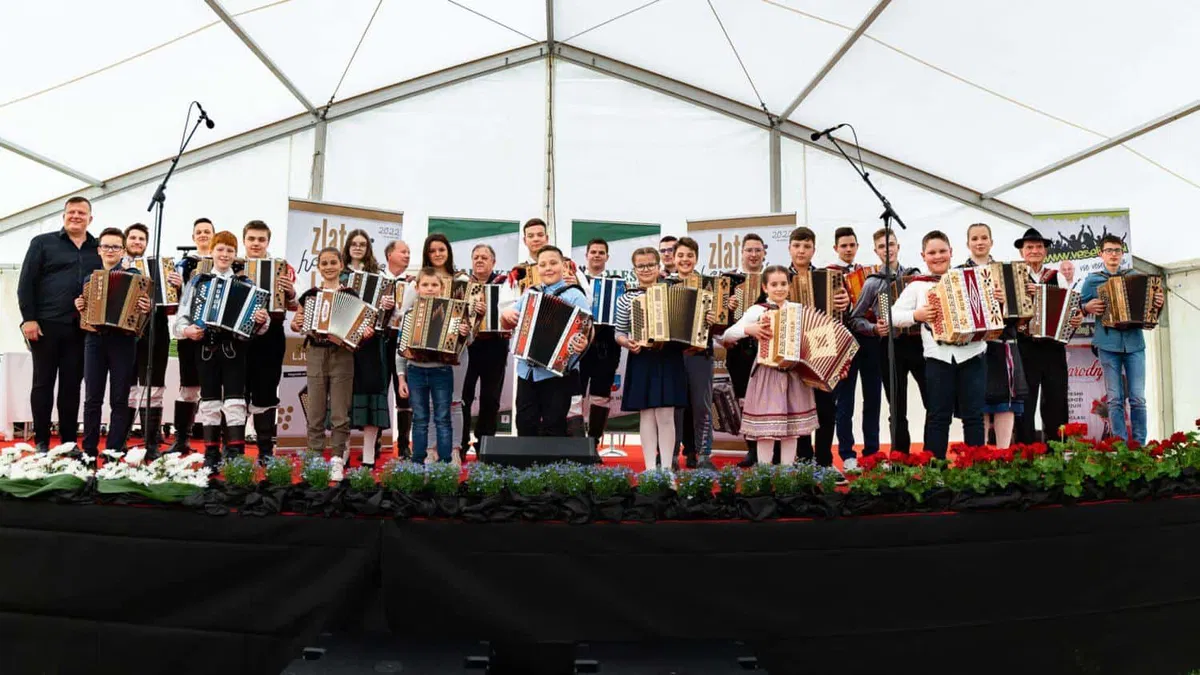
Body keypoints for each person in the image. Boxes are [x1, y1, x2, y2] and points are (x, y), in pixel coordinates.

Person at [172, 231, 269, 470]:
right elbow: (180, 321)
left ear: (235, 255)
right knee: (210, 400)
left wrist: (261, 319)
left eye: (229, 250)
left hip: (235, 349)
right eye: (220, 249)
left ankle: (235, 454)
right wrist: (188, 331)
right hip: (205, 348)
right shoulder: (198, 282)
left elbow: (259, 328)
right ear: (212, 252)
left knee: (236, 400)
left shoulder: (246, 284)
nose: (225, 254)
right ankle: (211, 454)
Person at [889, 231, 987, 459]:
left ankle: (977, 468)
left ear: (951, 252)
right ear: (923, 256)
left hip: (973, 354)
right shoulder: (917, 286)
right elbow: (892, 315)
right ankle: (935, 471)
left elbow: (990, 306)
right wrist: (917, 314)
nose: (938, 256)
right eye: (932, 252)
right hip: (938, 357)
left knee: (973, 415)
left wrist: (998, 299)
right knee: (938, 415)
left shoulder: (969, 277)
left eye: (942, 251)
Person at [17, 196, 101, 452]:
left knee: (71, 386)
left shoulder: (97, 248)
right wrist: (28, 319)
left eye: (81, 213)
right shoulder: (43, 243)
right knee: (42, 384)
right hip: (45, 325)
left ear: (90, 218)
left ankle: (67, 441)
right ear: (63, 216)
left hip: (81, 329)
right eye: (71, 212)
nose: (76, 216)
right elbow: (26, 283)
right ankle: (42, 440)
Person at [722, 264, 819, 465]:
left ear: (790, 286)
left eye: (783, 283)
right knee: (765, 431)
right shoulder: (757, 310)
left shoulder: (798, 310)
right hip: (766, 374)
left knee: (791, 431)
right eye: (774, 284)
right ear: (765, 288)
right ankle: (764, 475)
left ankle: (787, 477)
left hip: (793, 376)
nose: (779, 288)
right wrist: (751, 329)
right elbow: (727, 335)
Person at [75, 228, 151, 459]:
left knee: (119, 398)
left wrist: (145, 307)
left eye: (116, 247)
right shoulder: (91, 278)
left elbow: (142, 311)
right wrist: (81, 305)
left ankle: (114, 449)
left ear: (122, 250)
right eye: (106, 246)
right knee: (92, 397)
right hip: (94, 341)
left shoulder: (134, 275)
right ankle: (89, 449)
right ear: (99, 250)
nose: (110, 251)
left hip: (123, 342)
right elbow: (86, 313)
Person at [1080, 234, 1164, 445]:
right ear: (1101, 254)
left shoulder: (1136, 276)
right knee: (1115, 398)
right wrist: (1086, 307)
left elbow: (1151, 313)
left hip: (1135, 343)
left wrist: (1158, 303)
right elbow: (1077, 309)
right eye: (1109, 250)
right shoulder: (1092, 280)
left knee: (1138, 398)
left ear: (1122, 253)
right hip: (1107, 344)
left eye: (1117, 250)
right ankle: (1119, 446)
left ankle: (1139, 445)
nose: (1113, 255)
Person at [847, 228, 925, 453]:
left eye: (891, 244)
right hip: (890, 348)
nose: (887, 249)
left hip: (918, 345)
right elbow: (855, 318)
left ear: (898, 247)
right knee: (897, 406)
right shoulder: (873, 283)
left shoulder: (915, 276)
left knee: (932, 401)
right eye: (882, 246)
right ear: (876, 251)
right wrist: (874, 328)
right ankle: (901, 457)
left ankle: (931, 456)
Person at [292, 247, 366, 480]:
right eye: (324, 263)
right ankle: (314, 456)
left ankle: (336, 457)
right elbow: (296, 323)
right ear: (319, 267)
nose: (329, 267)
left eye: (333, 262)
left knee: (340, 410)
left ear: (341, 265)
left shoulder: (352, 295)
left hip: (342, 354)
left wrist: (364, 331)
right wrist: (298, 322)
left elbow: (360, 327)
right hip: (316, 352)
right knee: (315, 408)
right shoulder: (310, 294)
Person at [501, 246, 591, 436]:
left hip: (557, 374)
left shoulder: (575, 295)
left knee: (555, 423)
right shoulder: (530, 293)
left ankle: (550, 466)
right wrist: (506, 314)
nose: (548, 268)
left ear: (564, 265)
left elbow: (588, 330)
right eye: (542, 265)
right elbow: (507, 323)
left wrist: (583, 343)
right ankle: (525, 465)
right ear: (537, 269)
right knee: (525, 423)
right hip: (527, 372)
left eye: (553, 263)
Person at [614, 247, 687, 472]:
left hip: (669, 356)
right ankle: (649, 469)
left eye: (650, 265)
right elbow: (619, 332)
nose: (646, 270)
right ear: (634, 269)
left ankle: (666, 468)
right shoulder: (626, 297)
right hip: (642, 357)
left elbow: (690, 322)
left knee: (666, 414)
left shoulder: (674, 291)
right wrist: (627, 343)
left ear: (658, 267)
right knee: (646, 414)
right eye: (640, 266)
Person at [787, 226, 850, 468]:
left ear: (814, 249)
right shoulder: (779, 276)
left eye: (806, 246)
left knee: (826, 407)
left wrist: (846, 304)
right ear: (789, 248)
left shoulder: (828, 276)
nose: (801, 251)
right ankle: (803, 458)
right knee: (800, 407)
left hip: (823, 346)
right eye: (797, 246)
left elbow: (843, 314)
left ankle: (824, 459)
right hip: (793, 349)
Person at [396, 268, 472, 463]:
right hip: (415, 370)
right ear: (418, 288)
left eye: (434, 285)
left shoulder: (453, 312)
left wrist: (464, 333)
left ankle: (446, 462)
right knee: (420, 418)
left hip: (442, 370)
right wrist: (401, 377)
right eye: (425, 285)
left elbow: (467, 341)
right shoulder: (410, 314)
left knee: (443, 418)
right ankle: (419, 461)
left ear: (441, 288)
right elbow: (401, 349)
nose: (430, 289)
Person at [1013, 228, 1082, 443]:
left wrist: (1075, 319)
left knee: (1056, 401)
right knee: (1025, 401)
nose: (1034, 251)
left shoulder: (1057, 277)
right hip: (1024, 346)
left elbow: (1070, 309)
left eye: (1039, 247)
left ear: (1045, 251)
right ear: (1022, 252)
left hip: (1053, 347)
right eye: (1029, 247)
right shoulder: (1013, 276)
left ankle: (1057, 454)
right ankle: (1025, 455)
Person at [960, 223, 1025, 449]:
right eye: (975, 238)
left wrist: (1006, 301)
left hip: (1002, 343)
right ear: (968, 243)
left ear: (991, 242)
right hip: (973, 346)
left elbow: (1021, 313)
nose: (980, 242)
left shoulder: (1008, 271)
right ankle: (980, 455)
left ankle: (1003, 454)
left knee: (1005, 403)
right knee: (978, 402)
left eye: (984, 237)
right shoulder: (958, 272)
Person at [242, 220, 297, 464]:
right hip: (239, 336)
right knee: (236, 391)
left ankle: (265, 451)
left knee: (266, 390)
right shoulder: (234, 266)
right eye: (251, 239)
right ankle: (232, 450)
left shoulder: (284, 269)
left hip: (272, 335)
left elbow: (296, 306)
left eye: (261, 239)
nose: (256, 243)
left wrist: (292, 292)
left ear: (268, 242)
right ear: (244, 240)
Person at [827, 226, 881, 471]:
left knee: (873, 398)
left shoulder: (869, 274)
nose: (848, 249)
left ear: (857, 247)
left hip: (869, 342)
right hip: (843, 343)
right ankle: (847, 454)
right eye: (843, 246)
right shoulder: (828, 274)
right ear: (836, 248)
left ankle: (872, 452)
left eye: (852, 245)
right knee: (844, 402)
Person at [341, 229, 394, 468]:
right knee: (345, 399)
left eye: (362, 244)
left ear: (368, 249)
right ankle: (341, 452)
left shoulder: (380, 277)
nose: (358, 247)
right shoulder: (340, 275)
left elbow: (386, 317)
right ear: (348, 247)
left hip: (372, 344)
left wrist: (386, 307)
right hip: (345, 344)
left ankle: (369, 453)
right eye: (354, 244)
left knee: (372, 396)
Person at [164, 218, 215, 454]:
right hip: (188, 332)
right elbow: (173, 302)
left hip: (214, 334)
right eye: (199, 232)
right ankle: (181, 439)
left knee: (216, 388)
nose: (203, 235)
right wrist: (175, 284)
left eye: (207, 231)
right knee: (189, 387)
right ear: (193, 237)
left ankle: (215, 443)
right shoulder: (183, 264)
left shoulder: (224, 262)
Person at [122, 223, 170, 458]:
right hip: (126, 331)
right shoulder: (115, 265)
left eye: (142, 239)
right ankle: (121, 439)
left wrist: (176, 287)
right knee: (127, 385)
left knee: (154, 385)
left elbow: (173, 305)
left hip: (157, 328)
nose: (137, 242)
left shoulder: (160, 266)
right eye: (133, 238)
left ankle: (151, 444)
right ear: (125, 240)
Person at [669, 237, 717, 470]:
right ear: (673, 258)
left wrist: (714, 320)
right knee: (674, 407)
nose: (685, 260)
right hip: (672, 356)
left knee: (701, 406)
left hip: (700, 354)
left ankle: (704, 454)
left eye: (689, 255)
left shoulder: (709, 284)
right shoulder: (665, 285)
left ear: (696, 258)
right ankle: (671, 456)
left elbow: (721, 327)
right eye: (681, 255)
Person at [461, 243, 512, 449]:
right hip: (468, 346)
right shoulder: (462, 284)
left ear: (494, 262)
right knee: (464, 396)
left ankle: (485, 443)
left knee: (491, 397)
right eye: (476, 257)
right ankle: (461, 443)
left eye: (484, 257)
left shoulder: (505, 285)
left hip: (495, 346)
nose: (479, 260)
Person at [725, 234, 769, 467]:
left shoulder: (772, 279)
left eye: (757, 250)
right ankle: (751, 448)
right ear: (741, 252)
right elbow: (719, 321)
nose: (753, 254)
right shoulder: (729, 280)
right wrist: (727, 306)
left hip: (766, 349)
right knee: (743, 400)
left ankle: (770, 449)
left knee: (768, 401)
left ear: (764, 253)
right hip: (739, 350)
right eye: (749, 250)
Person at [577, 238, 622, 443]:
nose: (596, 255)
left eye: (601, 252)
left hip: (607, 347)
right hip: (578, 346)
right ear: (586, 255)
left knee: (601, 395)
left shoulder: (617, 283)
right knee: (575, 395)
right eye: (593, 251)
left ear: (607, 257)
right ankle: (575, 443)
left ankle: (593, 443)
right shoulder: (575, 281)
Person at [382, 240, 413, 457]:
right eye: (403, 252)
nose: (407, 255)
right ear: (389, 254)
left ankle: (403, 445)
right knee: (379, 389)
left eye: (409, 252)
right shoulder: (376, 279)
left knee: (405, 392)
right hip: (381, 339)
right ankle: (374, 443)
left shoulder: (412, 283)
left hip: (403, 339)